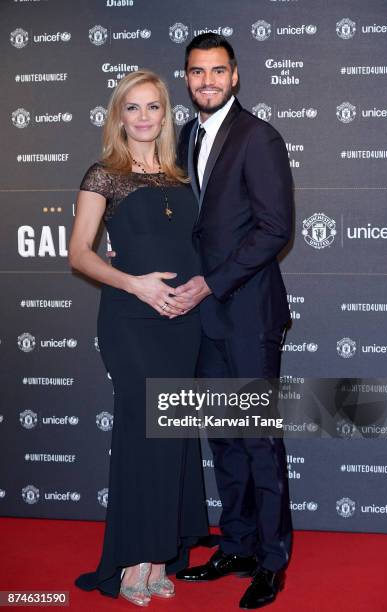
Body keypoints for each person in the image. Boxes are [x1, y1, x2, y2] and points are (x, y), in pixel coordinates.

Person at [69, 70, 208, 607]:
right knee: (139, 437)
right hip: (131, 320)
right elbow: (80, 253)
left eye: (154, 107)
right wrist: (134, 284)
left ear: (165, 115)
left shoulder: (181, 177)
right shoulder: (104, 175)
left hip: (183, 322)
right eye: (134, 107)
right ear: (118, 116)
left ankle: (158, 556)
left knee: (170, 436)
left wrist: (196, 288)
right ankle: (129, 560)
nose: (145, 117)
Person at [172, 34, 293, 609]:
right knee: (223, 441)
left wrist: (213, 283)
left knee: (259, 442)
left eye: (218, 71)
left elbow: (275, 228)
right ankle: (238, 544)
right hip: (203, 319)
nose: (207, 82)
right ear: (187, 78)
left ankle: (272, 562)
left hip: (245, 312)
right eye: (197, 72)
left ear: (236, 75)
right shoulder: (184, 134)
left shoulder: (259, 137)